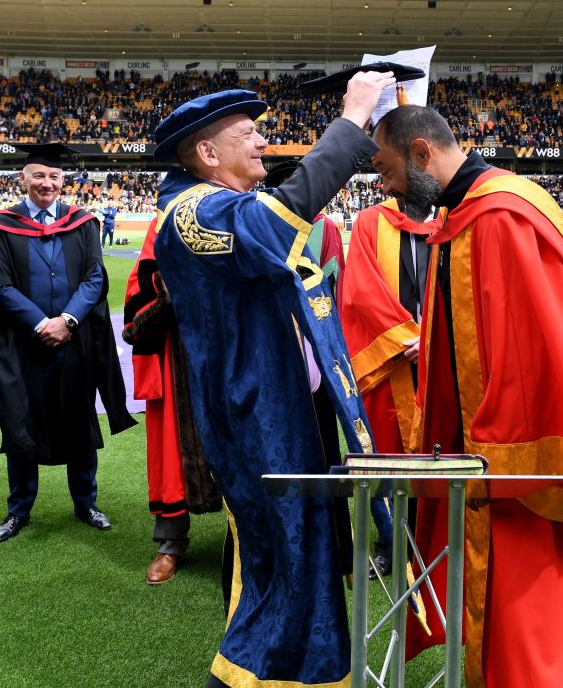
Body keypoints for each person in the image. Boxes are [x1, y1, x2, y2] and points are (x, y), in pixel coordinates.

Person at [371, 105, 563, 686]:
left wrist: (490, 453)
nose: (385, 185)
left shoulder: (500, 216)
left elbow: (538, 353)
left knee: (537, 619)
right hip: (484, 445)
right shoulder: (475, 210)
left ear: (421, 153)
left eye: (387, 169)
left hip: (519, 458)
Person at [150, 72, 393, 688]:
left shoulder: (216, 204)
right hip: (255, 413)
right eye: (249, 134)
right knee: (282, 554)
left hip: (286, 403)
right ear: (208, 154)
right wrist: (353, 117)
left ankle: (301, 670)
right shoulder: (191, 212)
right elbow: (278, 218)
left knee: (304, 550)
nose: (263, 142)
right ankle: (253, 674)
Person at [0, 143, 136, 544]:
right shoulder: (2, 225)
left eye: (53, 176)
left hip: (74, 342)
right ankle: (19, 510)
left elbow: (94, 278)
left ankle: (86, 502)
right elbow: (0, 286)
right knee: (21, 422)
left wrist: (67, 320)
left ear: (63, 181)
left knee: (78, 419)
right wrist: (39, 324)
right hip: (24, 346)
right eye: (38, 175)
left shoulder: (82, 222)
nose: (46, 183)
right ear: (23, 179)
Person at [339, 197, 436, 579]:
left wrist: (432, 338)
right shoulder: (370, 222)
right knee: (386, 453)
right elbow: (360, 290)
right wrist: (412, 338)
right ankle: (389, 543)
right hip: (390, 359)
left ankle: (434, 544)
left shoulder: (453, 219)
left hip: (441, 360)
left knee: (440, 452)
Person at [123, 216, 222, 585]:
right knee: (172, 448)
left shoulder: (245, 210)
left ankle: (251, 540)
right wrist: (172, 283)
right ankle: (170, 543)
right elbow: (141, 290)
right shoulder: (165, 223)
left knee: (244, 445)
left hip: (236, 343)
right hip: (177, 348)